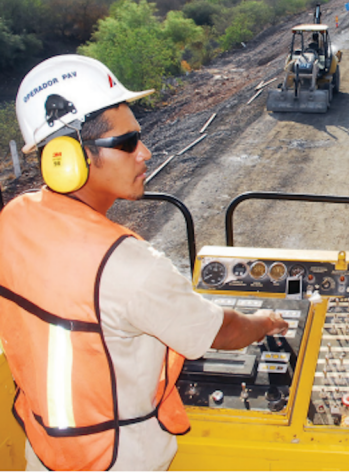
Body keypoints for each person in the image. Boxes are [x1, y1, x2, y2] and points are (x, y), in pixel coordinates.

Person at [0, 54, 289, 471]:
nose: (146, 153)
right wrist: (264, 322)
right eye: (128, 143)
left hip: (44, 453)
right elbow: (219, 331)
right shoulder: (126, 267)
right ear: (68, 157)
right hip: (119, 460)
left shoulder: (13, 219)